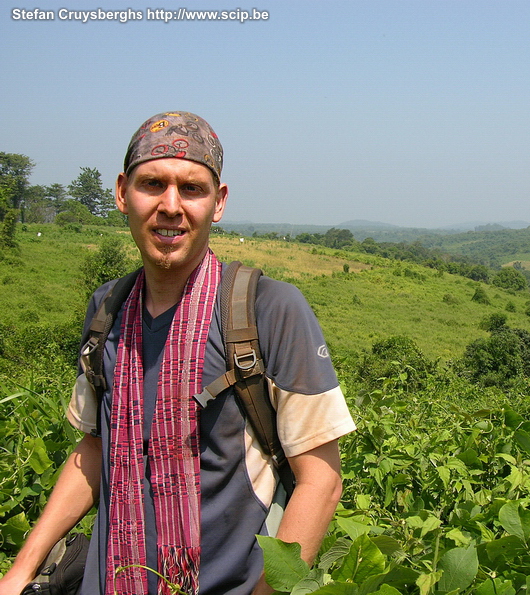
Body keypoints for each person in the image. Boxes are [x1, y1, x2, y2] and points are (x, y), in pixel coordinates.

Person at [0, 111, 357, 595]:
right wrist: (20, 571)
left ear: (219, 202)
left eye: (192, 189)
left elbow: (321, 482)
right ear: (122, 193)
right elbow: (93, 450)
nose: (171, 206)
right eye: (153, 184)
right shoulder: (107, 309)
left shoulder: (269, 309)